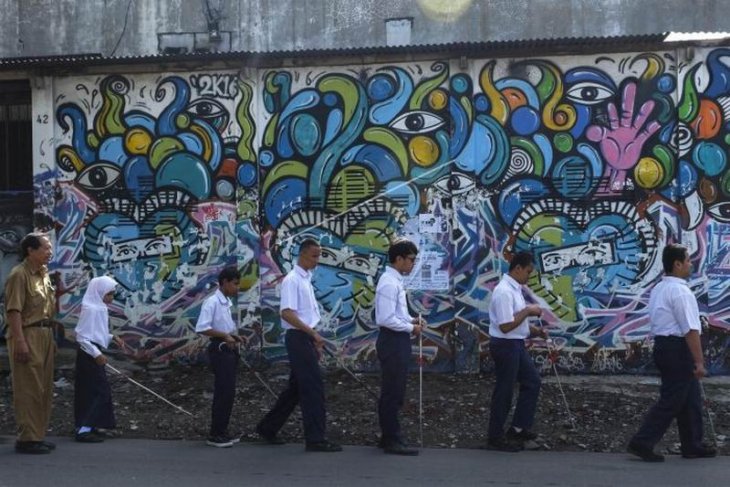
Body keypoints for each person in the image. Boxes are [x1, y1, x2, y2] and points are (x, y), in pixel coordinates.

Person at [627, 244, 717, 462]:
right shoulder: (681, 292)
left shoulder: (659, 288)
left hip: (663, 346)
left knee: (690, 397)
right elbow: (690, 330)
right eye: (687, 260)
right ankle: (642, 441)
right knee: (672, 400)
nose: (690, 263)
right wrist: (699, 361)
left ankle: (692, 444)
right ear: (677, 264)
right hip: (677, 349)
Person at [256, 239, 342, 452]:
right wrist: (312, 333)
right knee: (313, 388)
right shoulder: (292, 280)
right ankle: (315, 439)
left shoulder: (305, 279)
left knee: (296, 388)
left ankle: (268, 427)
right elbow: (286, 313)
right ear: (302, 255)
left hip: (306, 337)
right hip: (298, 337)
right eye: (314, 255)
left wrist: (314, 338)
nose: (317, 260)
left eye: (319, 255)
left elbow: (307, 315)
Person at [4, 233, 57, 454]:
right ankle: (27, 438)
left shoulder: (43, 274)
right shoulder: (19, 274)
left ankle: (37, 435)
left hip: (45, 334)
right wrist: (20, 342)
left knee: (43, 388)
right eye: (45, 248)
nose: (49, 252)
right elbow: (14, 311)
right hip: (27, 334)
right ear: (30, 251)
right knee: (28, 388)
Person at [487, 251, 545, 452]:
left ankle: (519, 428)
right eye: (528, 271)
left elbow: (515, 321)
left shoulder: (515, 289)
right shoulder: (504, 291)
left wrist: (534, 330)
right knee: (504, 390)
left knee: (532, 382)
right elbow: (505, 325)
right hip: (505, 345)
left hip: (516, 343)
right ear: (517, 268)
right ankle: (495, 436)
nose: (529, 276)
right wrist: (529, 310)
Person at [375, 238, 423, 456]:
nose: (413, 264)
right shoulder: (388, 282)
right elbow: (385, 319)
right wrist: (410, 328)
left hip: (398, 339)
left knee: (396, 390)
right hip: (392, 340)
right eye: (411, 259)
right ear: (399, 259)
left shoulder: (395, 281)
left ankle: (389, 436)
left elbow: (398, 314)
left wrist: (412, 321)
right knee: (392, 391)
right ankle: (391, 438)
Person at [195, 266, 245, 448]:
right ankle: (215, 434)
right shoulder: (212, 302)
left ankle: (222, 430)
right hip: (219, 349)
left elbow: (224, 327)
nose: (237, 288)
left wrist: (234, 336)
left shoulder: (225, 302)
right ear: (224, 282)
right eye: (235, 284)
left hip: (228, 348)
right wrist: (224, 336)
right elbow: (202, 327)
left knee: (229, 392)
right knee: (223, 392)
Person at [74, 275, 124, 443]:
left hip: (93, 353)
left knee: (94, 391)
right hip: (88, 356)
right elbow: (82, 337)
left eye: (112, 294)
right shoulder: (90, 309)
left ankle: (92, 425)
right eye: (108, 294)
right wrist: (97, 354)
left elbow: (95, 333)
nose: (111, 298)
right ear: (99, 292)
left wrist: (112, 337)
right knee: (97, 391)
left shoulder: (99, 307)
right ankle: (83, 429)